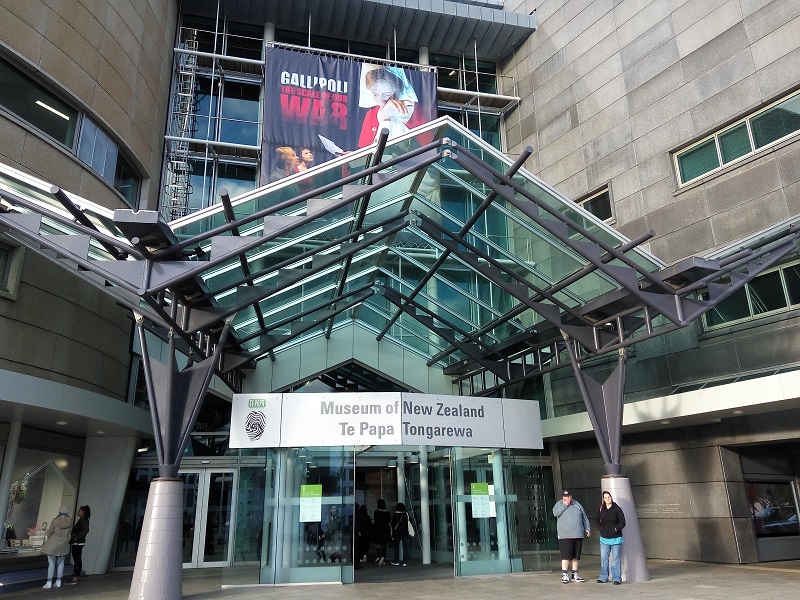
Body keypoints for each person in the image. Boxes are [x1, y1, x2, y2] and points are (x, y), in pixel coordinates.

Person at [357, 66, 425, 148]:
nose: (380, 100)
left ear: (399, 89)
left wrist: (385, 119)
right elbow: (366, 151)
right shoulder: (371, 114)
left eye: (387, 94)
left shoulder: (415, 113)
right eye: (375, 94)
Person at [552, 490, 590, 584]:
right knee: (566, 556)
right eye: (566, 497)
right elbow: (555, 513)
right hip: (565, 536)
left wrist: (587, 528)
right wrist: (565, 505)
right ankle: (564, 574)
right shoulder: (559, 504)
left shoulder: (577, 504)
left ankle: (574, 574)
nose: (568, 498)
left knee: (575, 556)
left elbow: (584, 517)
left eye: (569, 496)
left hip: (577, 534)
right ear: (562, 497)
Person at [596, 491, 626, 585]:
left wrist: (616, 528)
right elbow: (596, 520)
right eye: (606, 497)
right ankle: (603, 577)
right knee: (604, 558)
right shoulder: (601, 509)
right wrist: (601, 529)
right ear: (603, 499)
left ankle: (616, 578)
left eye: (609, 497)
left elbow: (622, 522)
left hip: (616, 538)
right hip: (604, 538)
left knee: (616, 559)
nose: (608, 499)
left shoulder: (617, 509)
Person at [40, 505, 72, 589]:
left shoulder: (55, 521)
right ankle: (58, 581)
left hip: (53, 544)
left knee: (51, 563)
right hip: (64, 545)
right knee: (61, 563)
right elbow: (69, 534)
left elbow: (49, 532)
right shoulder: (70, 521)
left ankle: (49, 582)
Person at [67, 505, 90, 585]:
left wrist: (76, 537)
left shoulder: (83, 520)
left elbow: (85, 530)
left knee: (77, 559)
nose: (78, 512)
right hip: (77, 542)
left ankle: (75, 576)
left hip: (78, 542)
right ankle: (76, 576)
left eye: (79, 511)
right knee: (77, 559)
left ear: (83, 512)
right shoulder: (82, 520)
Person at [371, 498, 391, 566]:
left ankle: (380, 556)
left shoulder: (376, 512)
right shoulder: (387, 512)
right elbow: (389, 521)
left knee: (377, 545)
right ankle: (384, 560)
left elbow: (375, 521)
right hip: (386, 530)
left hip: (378, 529)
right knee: (384, 545)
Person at [390, 501, 409, 566]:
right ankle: (404, 562)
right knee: (405, 547)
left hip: (397, 533)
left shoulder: (395, 515)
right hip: (405, 533)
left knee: (396, 547)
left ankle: (396, 560)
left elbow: (393, 524)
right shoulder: (406, 514)